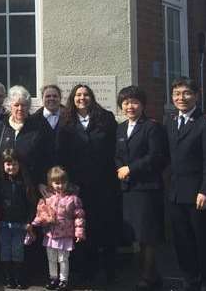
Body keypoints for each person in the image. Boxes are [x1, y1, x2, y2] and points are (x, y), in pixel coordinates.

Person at [60, 83, 120, 285]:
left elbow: (114, 149)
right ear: (72, 98)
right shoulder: (66, 121)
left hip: (103, 184)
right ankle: (83, 271)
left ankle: (110, 272)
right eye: (78, 95)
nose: (82, 98)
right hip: (77, 186)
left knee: (103, 227)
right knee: (79, 228)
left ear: (92, 97)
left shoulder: (106, 118)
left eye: (86, 94)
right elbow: (62, 153)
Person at [166, 78, 206, 291]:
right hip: (176, 194)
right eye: (177, 94)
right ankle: (190, 283)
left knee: (204, 242)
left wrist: (205, 190)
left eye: (187, 93)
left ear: (197, 95)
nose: (181, 98)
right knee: (182, 243)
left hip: (199, 194)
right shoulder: (170, 121)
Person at [115, 85, 168, 290]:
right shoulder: (120, 128)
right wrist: (120, 167)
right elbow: (117, 155)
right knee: (136, 234)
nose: (130, 106)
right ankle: (150, 275)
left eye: (134, 102)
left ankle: (148, 277)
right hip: (128, 189)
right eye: (126, 103)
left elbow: (156, 157)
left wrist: (131, 168)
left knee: (148, 235)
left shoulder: (152, 127)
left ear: (143, 104)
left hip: (147, 188)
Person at [31, 166, 85, 291]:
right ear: (51, 183)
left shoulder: (72, 199)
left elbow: (79, 216)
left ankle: (63, 280)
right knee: (51, 258)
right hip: (50, 234)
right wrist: (34, 223)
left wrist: (79, 232)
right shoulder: (48, 198)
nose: (60, 186)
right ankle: (53, 278)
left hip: (65, 235)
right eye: (56, 183)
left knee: (63, 259)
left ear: (67, 182)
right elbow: (41, 213)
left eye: (62, 183)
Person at [0, 149, 36, 290]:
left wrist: (29, 221)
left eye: (14, 164)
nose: (11, 168)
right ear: (3, 165)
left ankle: (19, 278)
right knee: (5, 250)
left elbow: (31, 204)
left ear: (20, 165)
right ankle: (8, 278)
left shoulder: (25, 183)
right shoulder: (0, 182)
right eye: (8, 164)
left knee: (18, 251)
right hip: (4, 223)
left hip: (20, 224)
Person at [0, 85, 51, 188]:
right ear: (10, 106)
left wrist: (42, 182)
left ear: (29, 106)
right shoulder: (0, 126)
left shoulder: (39, 127)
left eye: (24, 105)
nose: (20, 108)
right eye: (16, 105)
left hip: (31, 185)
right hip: (4, 186)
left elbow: (46, 157)